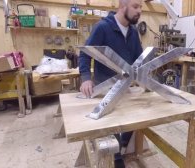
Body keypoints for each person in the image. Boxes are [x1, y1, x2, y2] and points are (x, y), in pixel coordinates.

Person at [78, 0, 143, 167]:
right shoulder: (103, 28)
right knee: (110, 123)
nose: (139, 11)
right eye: (136, 6)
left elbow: (140, 60)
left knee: (134, 120)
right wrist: (86, 78)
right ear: (122, 7)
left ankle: (119, 149)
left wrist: (146, 78)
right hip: (105, 87)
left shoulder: (134, 32)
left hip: (126, 87)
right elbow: (85, 54)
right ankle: (116, 157)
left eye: (141, 7)